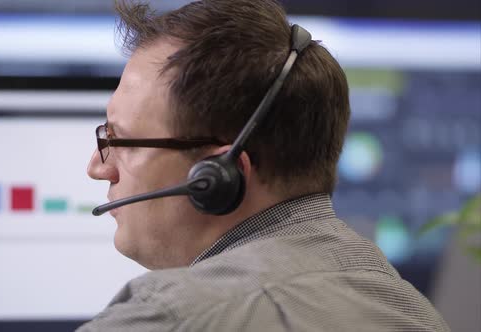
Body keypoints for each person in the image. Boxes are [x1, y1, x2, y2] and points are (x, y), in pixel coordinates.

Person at [78, 0, 449, 330]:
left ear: (216, 177)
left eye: (119, 140)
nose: (98, 167)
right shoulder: (410, 308)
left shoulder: (170, 315)